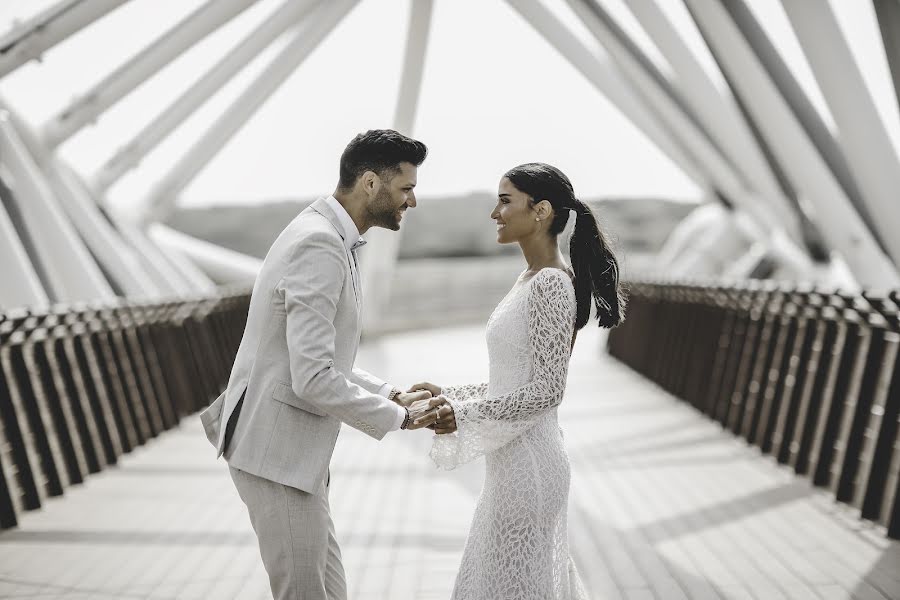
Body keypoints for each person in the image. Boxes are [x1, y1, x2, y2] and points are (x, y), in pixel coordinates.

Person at [200, 129, 438, 600]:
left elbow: (318, 358)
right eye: (406, 187)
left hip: (292, 458)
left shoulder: (327, 235)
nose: (413, 200)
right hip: (275, 457)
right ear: (371, 183)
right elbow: (312, 378)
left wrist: (389, 394)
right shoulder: (320, 245)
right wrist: (400, 417)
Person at [411, 162, 626, 600]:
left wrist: (463, 413)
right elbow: (516, 382)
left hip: (529, 469)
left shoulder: (549, 283)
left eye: (505, 201)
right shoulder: (530, 278)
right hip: (514, 465)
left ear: (542, 210)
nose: (495, 212)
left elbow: (548, 390)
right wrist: (449, 396)